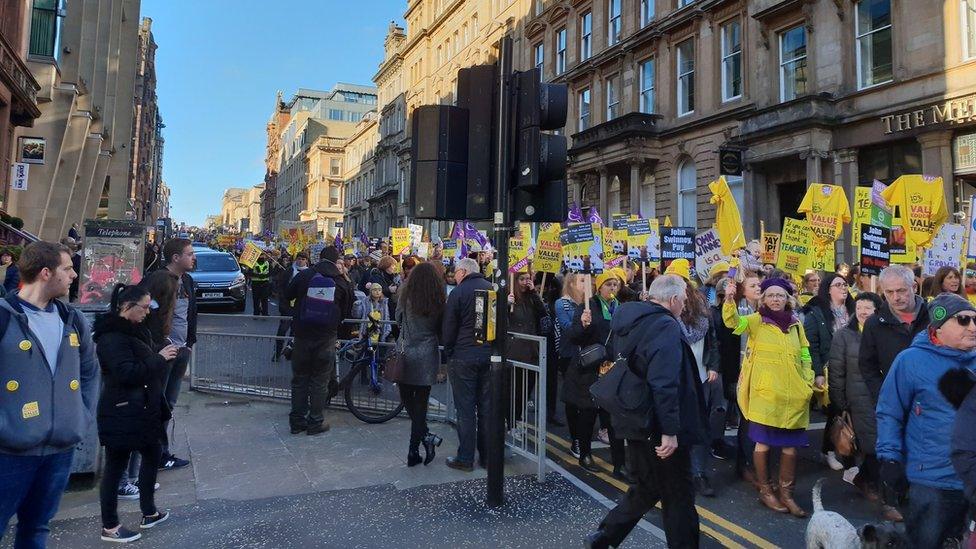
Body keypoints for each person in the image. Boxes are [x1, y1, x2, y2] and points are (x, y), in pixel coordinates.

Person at [585, 274, 706, 549]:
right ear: (673, 299)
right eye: (684, 299)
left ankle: (604, 538)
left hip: (634, 417)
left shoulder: (630, 319)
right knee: (679, 496)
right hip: (656, 423)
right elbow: (664, 382)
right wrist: (670, 432)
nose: (685, 304)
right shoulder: (664, 326)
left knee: (647, 487)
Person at [0, 241, 97, 548]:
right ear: (45, 273)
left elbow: (90, 373)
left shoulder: (73, 320)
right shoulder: (4, 318)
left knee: (37, 528)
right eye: (67, 269)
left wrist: (79, 415)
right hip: (9, 452)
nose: (73, 275)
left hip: (59, 450)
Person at [876, 294, 976, 548]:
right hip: (932, 480)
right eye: (963, 320)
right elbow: (890, 412)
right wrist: (890, 457)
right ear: (938, 327)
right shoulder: (910, 361)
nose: (973, 327)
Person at [724, 277, 814, 517]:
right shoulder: (755, 321)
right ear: (763, 299)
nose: (776, 299)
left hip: (794, 395)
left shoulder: (796, 324)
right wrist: (730, 299)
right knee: (762, 442)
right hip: (766, 395)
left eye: (781, 295)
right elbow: (733, 323)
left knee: (790, 447)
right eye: (771, 295)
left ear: (788, 299)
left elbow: (805, 353)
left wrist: (808, 379)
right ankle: (766, 491)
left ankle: (787, 494)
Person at [94, 284, 176, 542]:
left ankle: (149, 511)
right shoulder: (111, 337)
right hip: (123, 410)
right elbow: (126, 372)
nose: (147, 312)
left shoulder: (134, 330)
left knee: (152, 453)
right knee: (115, 467)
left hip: (143, 408)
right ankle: (110, 526)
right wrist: (159, 359)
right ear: (126, 307)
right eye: (144, 307)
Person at [827, 291, 902, 521]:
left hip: (883, 395)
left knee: (884, 441)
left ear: (877, 311)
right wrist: (839, 401)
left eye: (867, 308)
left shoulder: (885, 332)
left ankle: (864, 478)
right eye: (859, 308)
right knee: (871, 444)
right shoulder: (844, 336)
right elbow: (837, 370)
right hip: (858, 398)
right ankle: (877, 488)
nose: (862, 312)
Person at [285, 246, 354, 435]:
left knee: (299, 380)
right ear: (336, 260)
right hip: (326, 337)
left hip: (302, 335)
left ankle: (297, 421)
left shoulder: (305, 275)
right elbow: (348, 311)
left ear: (319, 258)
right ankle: (315, 421)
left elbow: (287, 294)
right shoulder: (340, 281)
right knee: (319, 381)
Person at [565, 271, 626, 477]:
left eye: (615, 284)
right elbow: (574, 337)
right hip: (591, 370)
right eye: (608, 284)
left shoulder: (621, 308)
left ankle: (620, 464)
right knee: (588, 414)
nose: (612, 288)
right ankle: (585, 454)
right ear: (599, 287)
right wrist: (583, 325)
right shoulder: (587, 307)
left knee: (613, 418)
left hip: (613, 368)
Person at [441, 257, 493, 471]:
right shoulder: (491, 289)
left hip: (463, 356)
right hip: (487, 355)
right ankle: (488, 457)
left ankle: (465, 458)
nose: (454, 276)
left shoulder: (458, 292)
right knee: (485, 409)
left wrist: (449, 351)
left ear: (463, 272)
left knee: (465, 410)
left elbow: (449, 327)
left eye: (456, 272)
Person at [395, 262, 446, 466]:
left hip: (405, 349)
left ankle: (420, 445)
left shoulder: (405, 295)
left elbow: (398, 319)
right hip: (427, 352)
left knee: (408, 400)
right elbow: (441, 328)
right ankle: (416, 447)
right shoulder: (438, 298)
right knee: (421, 405)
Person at [802, 272, 854, 472]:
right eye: (838, 284)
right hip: (830, 368)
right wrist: (817, 372)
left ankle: (849, 448)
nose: (843, 288)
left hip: (853, 368)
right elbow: (811, 345)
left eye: (845, 284)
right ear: (828, 289)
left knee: (852, 410)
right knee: (836, 410)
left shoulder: (854, 309)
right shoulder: (817, 312)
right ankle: (829, 449)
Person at [859, 265, 930, 404]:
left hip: (931, 401)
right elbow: (867, 366)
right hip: (893, 402)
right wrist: (883, 395)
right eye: (889, 292)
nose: (896, 297)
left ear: (914, 287)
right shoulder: (874, 324)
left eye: (901, 290)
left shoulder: (934, 318)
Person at [155, 238, 197, 470]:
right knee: (157, 403)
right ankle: (152, 453)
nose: (193, 257)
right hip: (164, 352)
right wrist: (159, 345)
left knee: (169, 403)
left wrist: (190, 342)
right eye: (190, 254)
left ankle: (162, 453)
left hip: (182, 349)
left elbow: (192, 314)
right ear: (175, 258)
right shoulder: (158, 280)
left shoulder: (188, 280)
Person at [506, 271, 547, 440]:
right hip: (515, 351)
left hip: (531, 351)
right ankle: (511, 422)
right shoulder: (508, 297)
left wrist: (535, 293)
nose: (525, 282)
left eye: (528, 279)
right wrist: (505, 305)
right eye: (521, 279)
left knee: (526, 390)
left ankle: (516, 419)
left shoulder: (531, 297)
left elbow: (543, 313)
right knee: (514, 390)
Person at [555, 272, 586, 457]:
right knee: (573, 400)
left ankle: (584, 438)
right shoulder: (563, 303)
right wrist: (582, 321)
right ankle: (576, 438)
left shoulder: (592, 302)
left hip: (589, 355)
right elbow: (567, 328)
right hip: (570, 356)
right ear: (572, 283)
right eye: (582, 281)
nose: (586, 284)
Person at [273, 252, 308, 362]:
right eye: (299, 258)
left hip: (300, 307)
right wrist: (283, 300)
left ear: (306, 261)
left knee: (295, 332)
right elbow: (281, 286)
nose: (300, 261)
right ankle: (277, 352)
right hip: (287, 306)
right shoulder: (289, 270)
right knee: (282, 330)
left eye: (303, 259)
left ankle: (290, 352)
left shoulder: (309, 272)